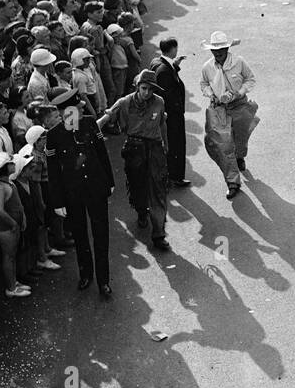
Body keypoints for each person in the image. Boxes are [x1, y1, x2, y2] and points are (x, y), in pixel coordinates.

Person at [46, 88, 116, 298]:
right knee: (80, 235)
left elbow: (102, 154)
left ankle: (104, 280)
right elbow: (53, 172)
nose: (79, 110)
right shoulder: (54, 135)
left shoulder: (89, 124)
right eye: (74, 109)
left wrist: (109, 181)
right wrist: (58, 201)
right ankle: (86, 274)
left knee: (101, 234)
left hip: (96, 187)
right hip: (72, 193)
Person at [98, 69, 171, 251]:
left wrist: (165, 145)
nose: (147, 93)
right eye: (144, 88)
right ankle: (141, 211)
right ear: (138, 86)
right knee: (137, 187)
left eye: (150, 90)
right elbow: (105, 119)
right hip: (134, 149)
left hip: (154, 149)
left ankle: (159, 233)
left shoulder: (159, 102)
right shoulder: (124, 102)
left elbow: (162, 124)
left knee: (158, 190)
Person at [198, 31, 259, 200]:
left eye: (221, 50)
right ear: (211, 51)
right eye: (215, 51)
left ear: (227, 48)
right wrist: (210, 94)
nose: (218, 54)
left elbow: (250, 79)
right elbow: (203, 84)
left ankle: (240, 156)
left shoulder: (239, 62)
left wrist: (240, 92)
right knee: (224, 145)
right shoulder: (207, 67)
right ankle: (232, 181)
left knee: (240, 138)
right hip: (219, 109)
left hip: (239, 105)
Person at [150, 37, 190, 186]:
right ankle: (175, 176)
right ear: (173, 49)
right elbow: (168, 93)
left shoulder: (157, 62)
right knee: (176, 144)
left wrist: (175, 65)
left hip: (168, 113)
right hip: (172, 115)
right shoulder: (165, 70)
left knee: (170, 144)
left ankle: (170, 174)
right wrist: (178, 109)